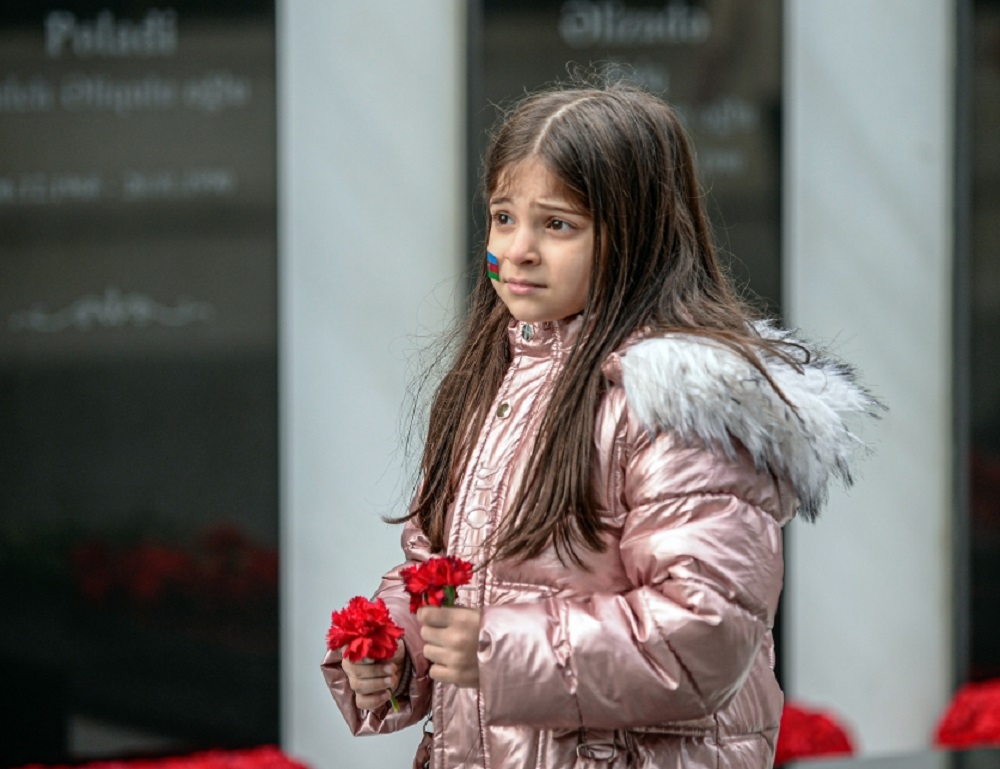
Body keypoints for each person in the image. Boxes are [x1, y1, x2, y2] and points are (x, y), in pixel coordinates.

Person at [321, 80, 881, 769]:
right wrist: (401, 650)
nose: (518, 249)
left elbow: (704, 633)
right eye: (502, 217)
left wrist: (492, 647)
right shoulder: (494, 374)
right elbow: (438, 572)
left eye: (557, 224)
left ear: (638, 237)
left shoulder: (678, 403)